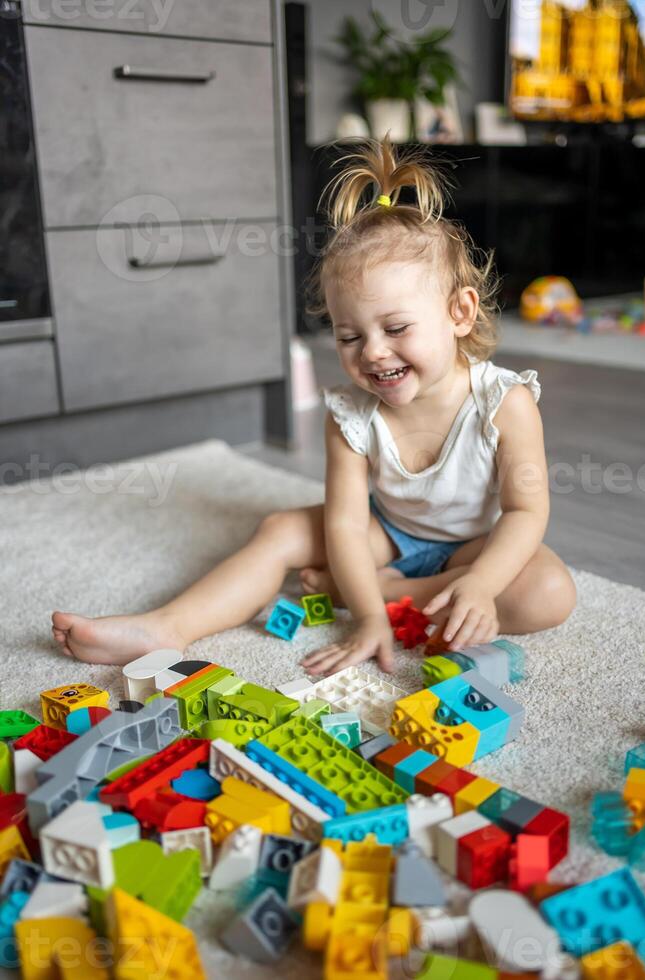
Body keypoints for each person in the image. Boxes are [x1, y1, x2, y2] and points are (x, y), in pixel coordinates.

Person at [52, 137, 576, 674]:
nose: (372, 351)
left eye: (395, 328)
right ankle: (166, 626)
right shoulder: (351, 414)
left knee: (550, 590)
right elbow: (347, 528)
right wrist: (371, 619)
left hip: (473, 544)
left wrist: (481, 584)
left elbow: (524, 511)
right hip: (385, 533)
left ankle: (393, 591)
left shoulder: (504, 402)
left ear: (460, 313)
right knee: (281, 530)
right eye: (349, 337)